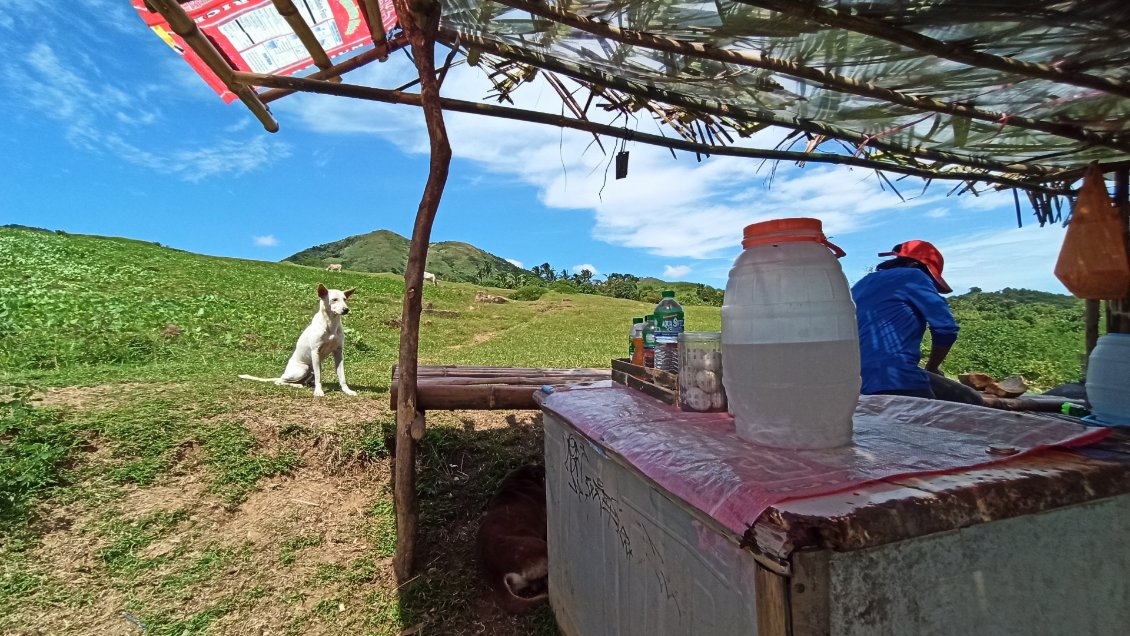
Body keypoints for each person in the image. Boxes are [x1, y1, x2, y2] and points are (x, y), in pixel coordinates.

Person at [851, 240, 983, 405]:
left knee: (965, 395)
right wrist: (932, 367)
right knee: (973, 402)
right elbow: (946, 329)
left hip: (854, 380)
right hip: (896, 379)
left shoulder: (862, 283)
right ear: (915, 265)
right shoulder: (913, 276)